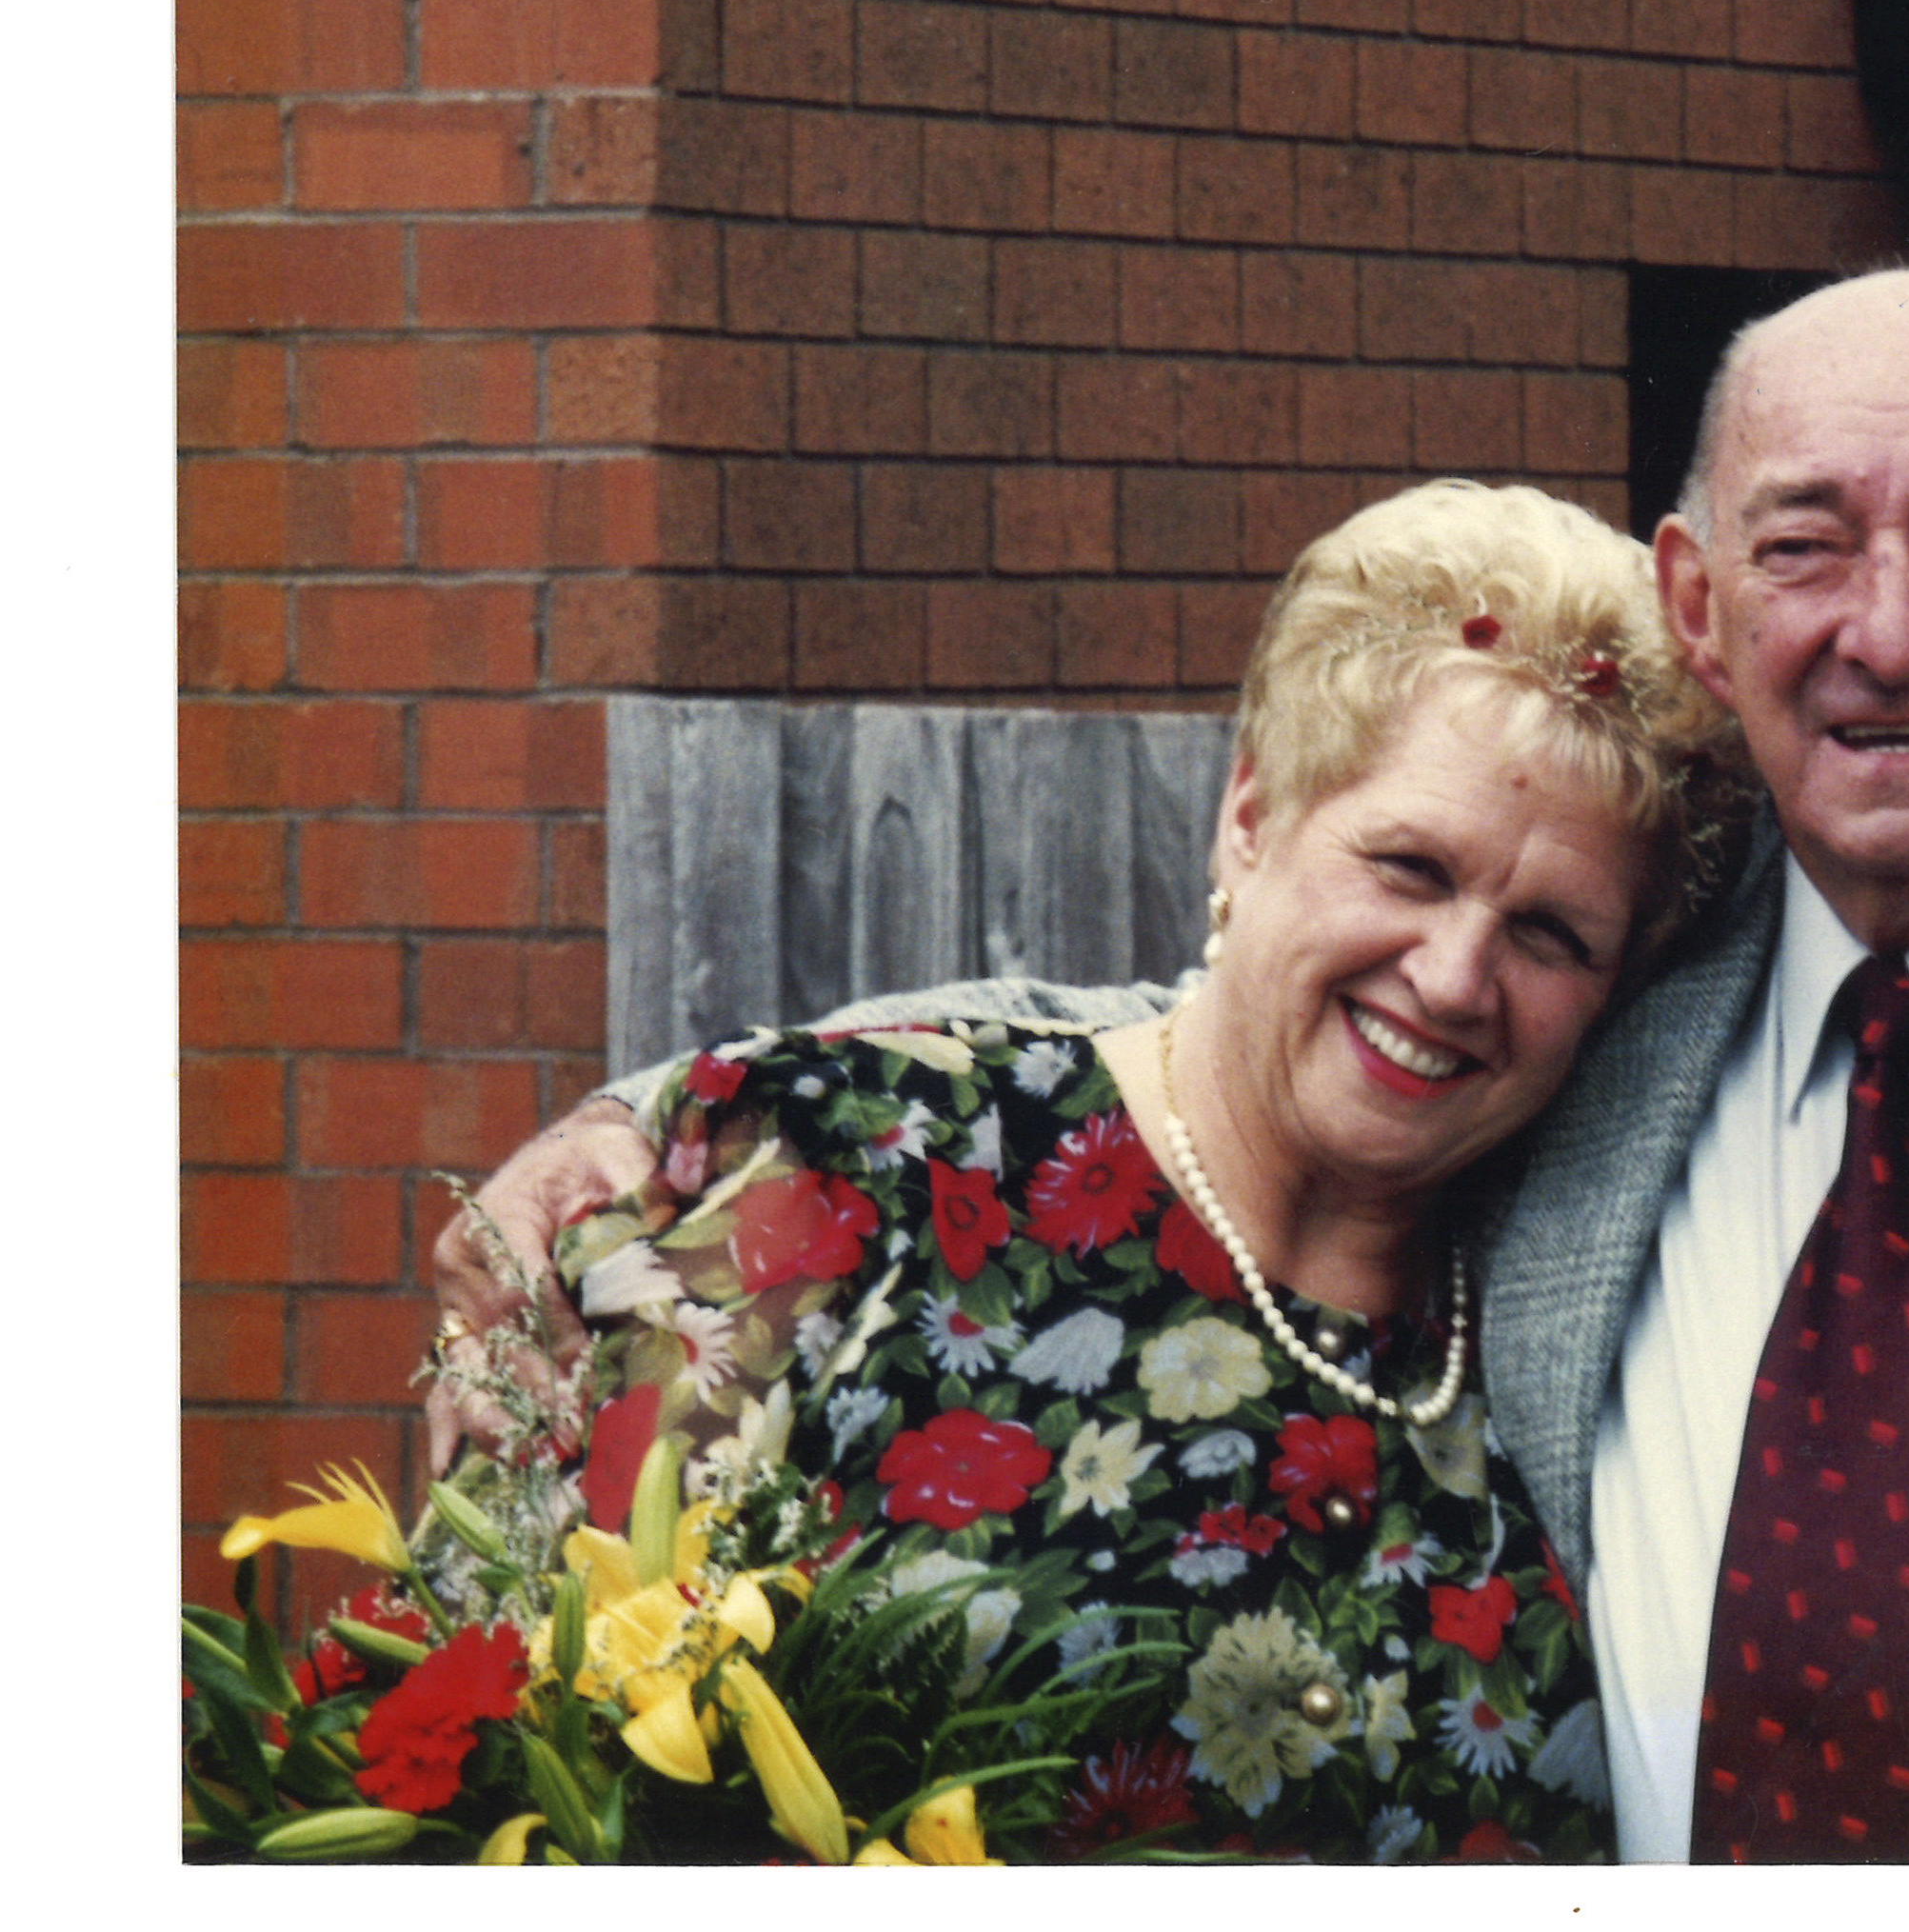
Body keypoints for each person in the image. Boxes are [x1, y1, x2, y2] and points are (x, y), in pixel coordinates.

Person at [447, 272, 1909, 1862]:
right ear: (1701, 604)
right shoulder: (1610, 1030)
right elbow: (1270, 1055)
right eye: (1806, 541)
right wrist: (695, 1133)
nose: (1887, 627)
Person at [442, 480, 1739, 1861]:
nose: (1456, 975)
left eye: (1550, 935)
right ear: (1250, 815)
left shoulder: (1593, 1317)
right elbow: (483, 1736)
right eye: (1410, 867)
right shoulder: (844, 1169)